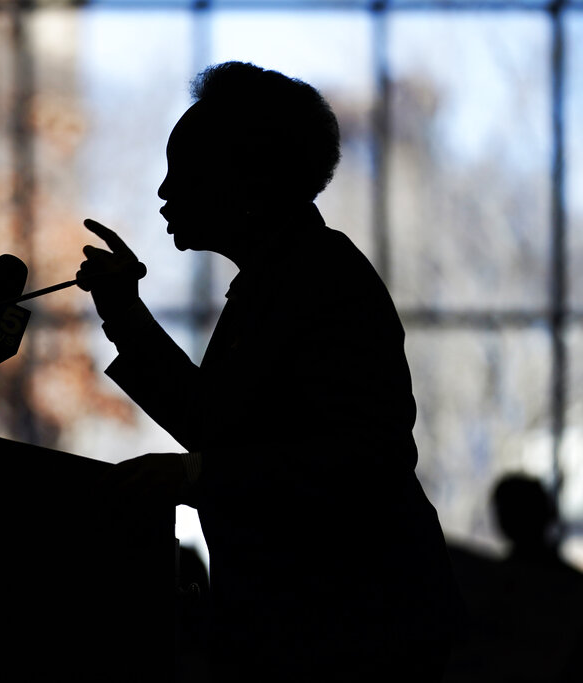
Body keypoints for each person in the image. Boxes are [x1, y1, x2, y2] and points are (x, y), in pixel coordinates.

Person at [78, 61, 456, 681]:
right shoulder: (287, 277)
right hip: (338, 624)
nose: (164, 191)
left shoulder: (321, 281)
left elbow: (367, 458)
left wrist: (194, 475)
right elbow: (216, 423)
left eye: (186, 171)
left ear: (248, 179)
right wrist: (123, 313)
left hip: (353, 633)